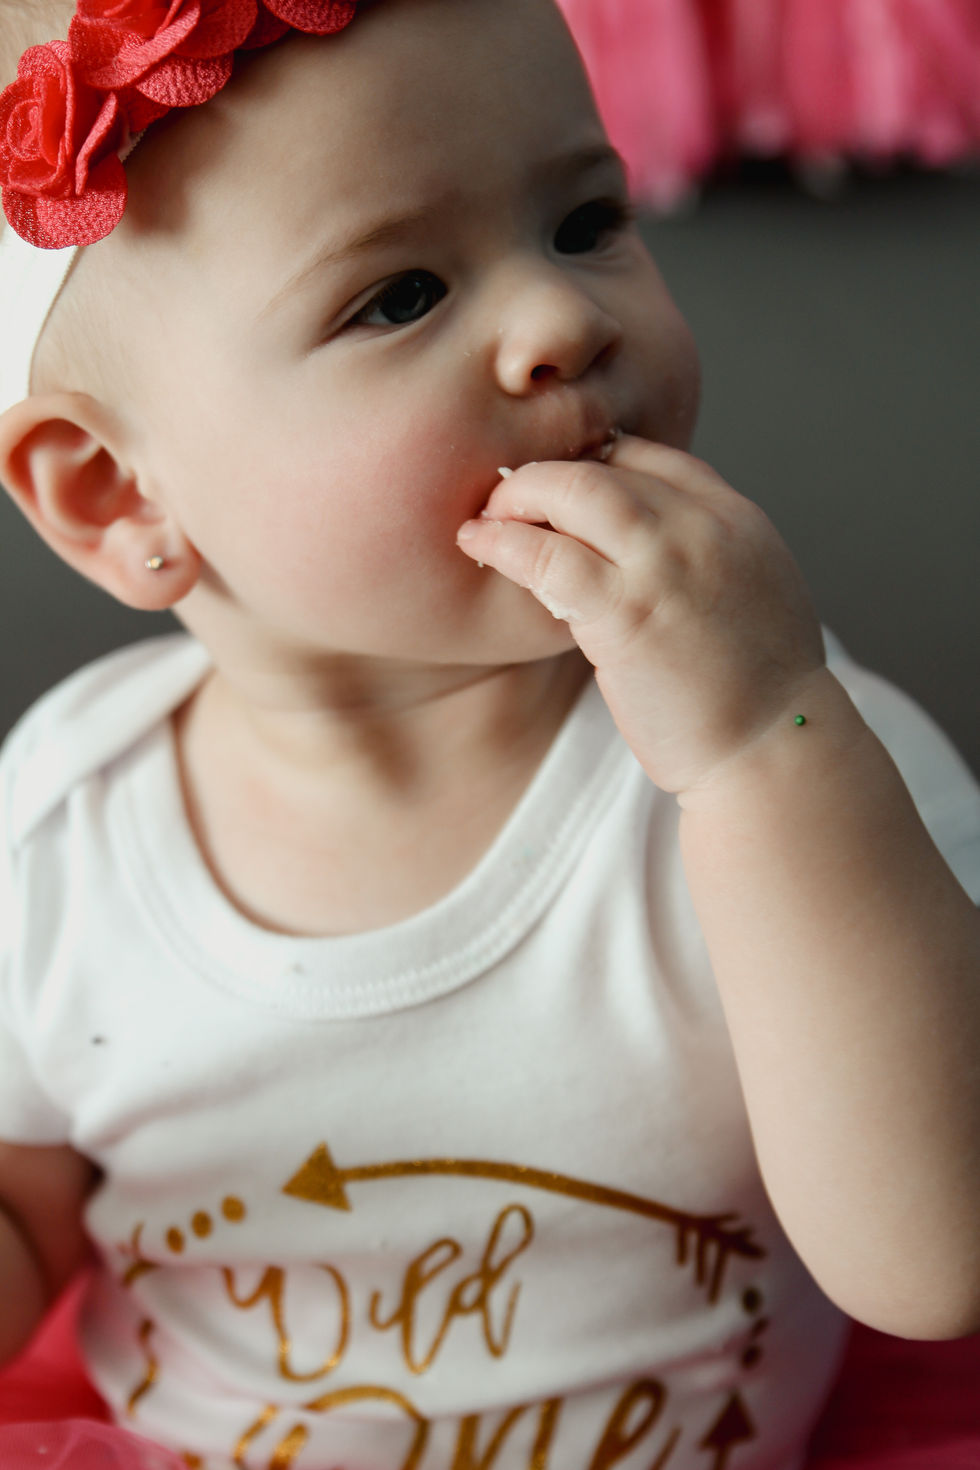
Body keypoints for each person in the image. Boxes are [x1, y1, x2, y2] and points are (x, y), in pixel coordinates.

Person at [0, 0, 978, 1466]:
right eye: (400, 295)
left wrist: (759, 759)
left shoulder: (808, 762)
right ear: (115, 493)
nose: (565, 321)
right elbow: (30, 1209)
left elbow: (936, 1262)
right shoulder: (57, 836)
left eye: (586, 223)